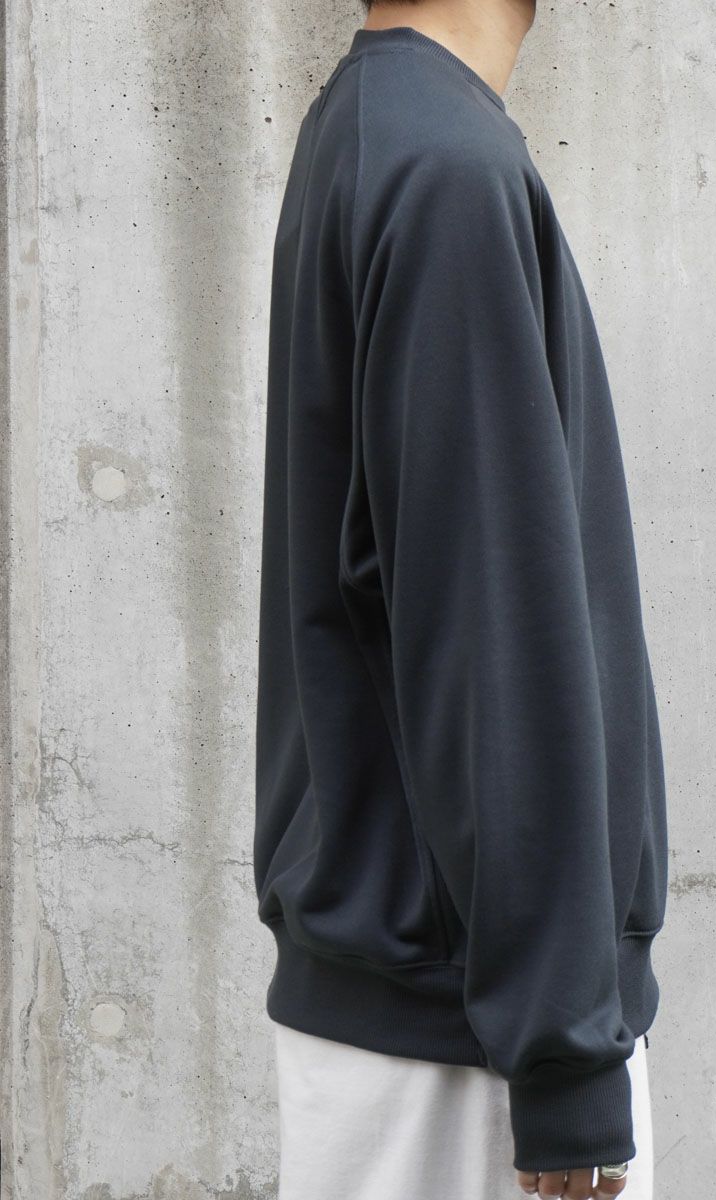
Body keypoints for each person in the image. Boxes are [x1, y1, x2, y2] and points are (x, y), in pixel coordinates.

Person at [253, 1, 669, 1197]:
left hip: (446, 1003)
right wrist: (565, 1058)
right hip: (472, 1040)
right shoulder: (443, 166)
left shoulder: (385, 126)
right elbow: (489, 626)